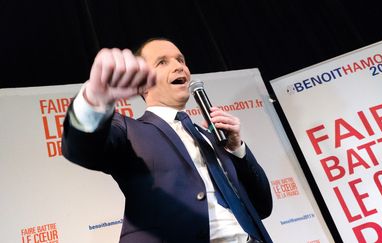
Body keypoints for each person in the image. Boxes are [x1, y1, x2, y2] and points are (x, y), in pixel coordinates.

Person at [61, 38, 273, 243]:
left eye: (180, 60)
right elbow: (81, 148)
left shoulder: (214, 137)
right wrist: (95, 99)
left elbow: (262, 207)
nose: (179, 67)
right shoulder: (128, 130)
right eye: (162, 62)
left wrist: (237, 149)